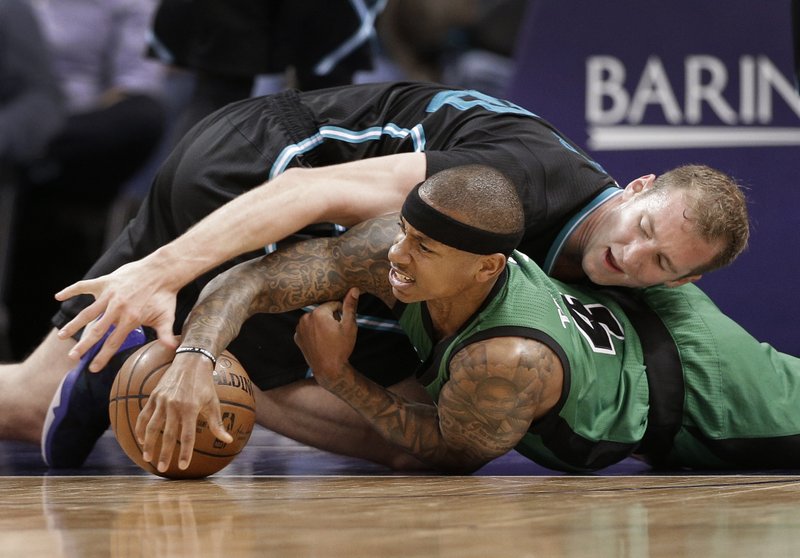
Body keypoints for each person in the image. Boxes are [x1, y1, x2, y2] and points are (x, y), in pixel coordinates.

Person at [0, 82, 746, 467]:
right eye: (642, 230)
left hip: (242, 166)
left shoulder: (602, 266)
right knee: (413, 435)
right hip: (261, 173)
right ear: (637, 188)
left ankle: (153, 353)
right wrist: (164, 274)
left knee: (32, 405)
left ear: (683, 283)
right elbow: (305, 192)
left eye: (662, 264)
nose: (631, 258)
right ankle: (181, 350)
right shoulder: (526, 183)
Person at [135, 164, 795, 475]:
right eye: (406, 235)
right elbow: (255, 276)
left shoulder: (507, 361)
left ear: (486, 268)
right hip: (635, 328)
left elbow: (444, 451)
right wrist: (194, 355)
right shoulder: (399, 247)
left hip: (709, 392)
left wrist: (337, 375)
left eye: (423, 250)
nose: (397, 258)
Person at [8, 0, 167, 357]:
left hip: (78, 125)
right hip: (16, 107)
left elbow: (135, 86)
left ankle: (37, 158)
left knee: (142, 117)